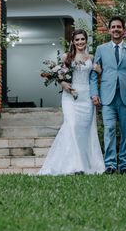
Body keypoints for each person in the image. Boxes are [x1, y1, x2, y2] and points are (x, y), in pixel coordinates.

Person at [39, 29, 105, 175]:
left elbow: (96, 78)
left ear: (86, 41)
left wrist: (99, 71)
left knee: (85, 130)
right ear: (73, 42)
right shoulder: (66, 57)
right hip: (70, 96)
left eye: (82, 39)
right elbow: (59, 75)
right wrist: (63, 83)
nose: (80, 42)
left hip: (86, 97)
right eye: (77, 40)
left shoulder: (92, 58)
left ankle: (86, 164)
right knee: (72, 125)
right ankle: (74, 165)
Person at [90, 16, 126, 174]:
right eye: (113, 27)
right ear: (109, 30)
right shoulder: (101, 49)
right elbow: (94, 74)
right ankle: (109, 165)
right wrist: (94, 93)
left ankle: (123, 165)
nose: (116, 29)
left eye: (119, 27)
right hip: (107, 97)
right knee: (108, 130)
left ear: (124, 30)